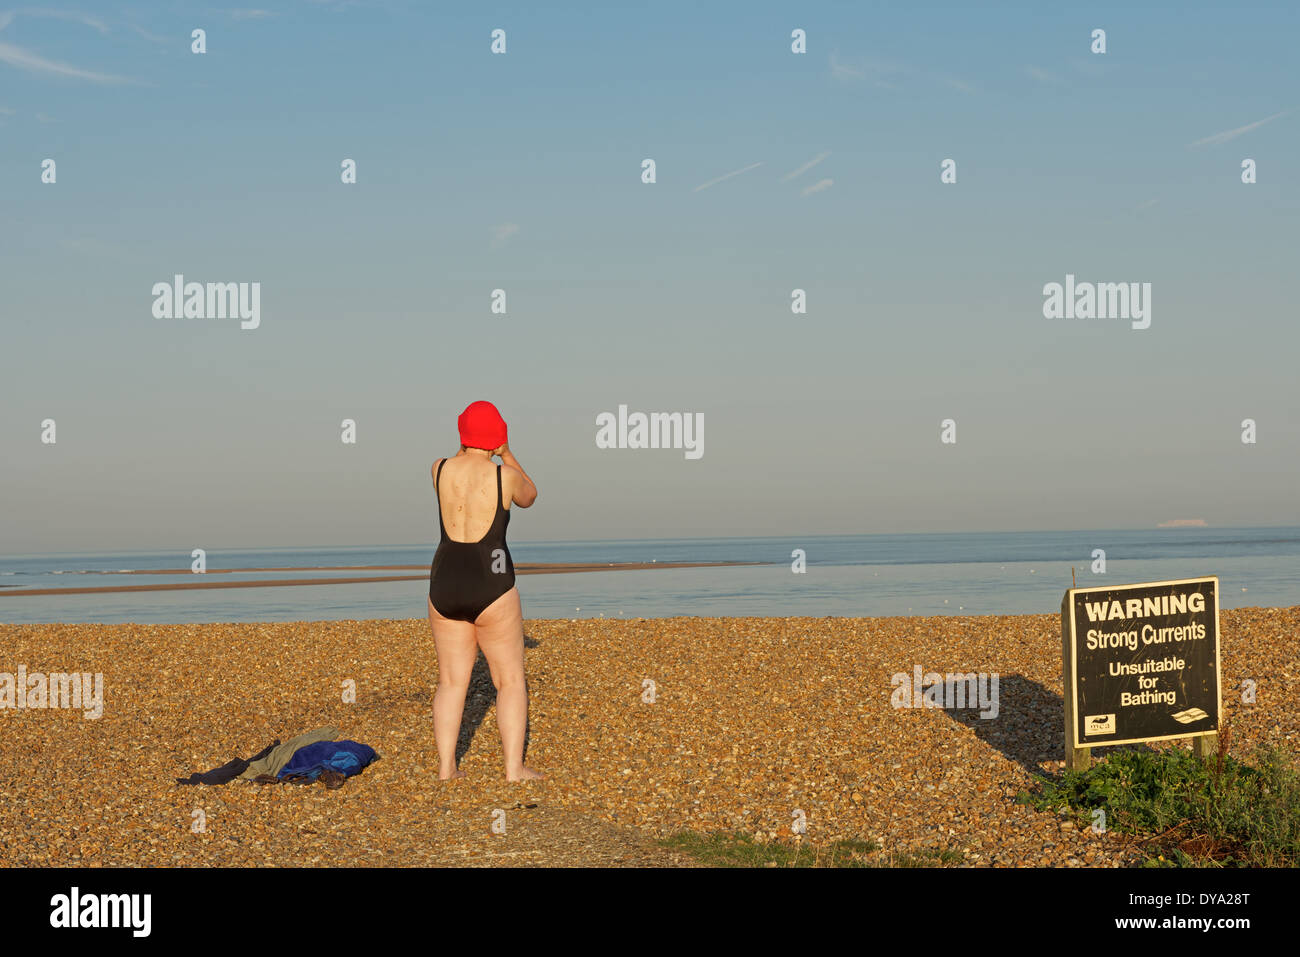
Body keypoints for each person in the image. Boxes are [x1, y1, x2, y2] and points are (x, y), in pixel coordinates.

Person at [427, 400, 542, 781]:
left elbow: (463, 460)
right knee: (509, 679)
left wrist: (470, 447)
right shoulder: (503, 475)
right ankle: (513, 769)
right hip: (491, 578)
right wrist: (507, 452)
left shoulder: (438, 469)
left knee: (450, 681)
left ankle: (447, 768)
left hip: (445, 580)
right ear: (497, 435)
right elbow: (530, 496)